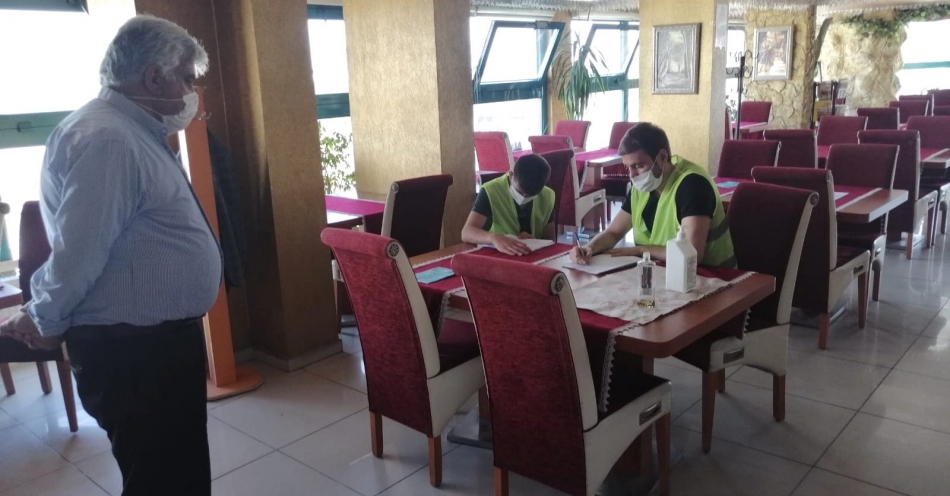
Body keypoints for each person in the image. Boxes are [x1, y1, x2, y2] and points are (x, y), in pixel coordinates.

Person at [0, 16, 222, 495]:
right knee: (163, 481)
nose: (191, 92)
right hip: (136, 355)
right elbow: (78, 253)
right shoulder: (110, 139)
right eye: (187, 79)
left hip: (150, 346)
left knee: (174, 474)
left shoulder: (129, 130)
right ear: (154, 77)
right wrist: (43, 317)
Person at [570, 123, 735, 268]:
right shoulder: (641, 186)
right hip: (659, 272)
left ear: (662, 157)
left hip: (711, 277)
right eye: (628, 167)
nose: (632, 175)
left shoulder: (692, 185)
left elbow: (693, 254)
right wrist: (589, 248)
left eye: (638, 166)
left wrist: (641, 250)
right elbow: (613, 232)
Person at [461, 153, 556, 255]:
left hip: (529, 254)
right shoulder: (491, 191)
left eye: (531, 195)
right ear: (511, 175)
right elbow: (467, 232)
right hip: (498, 254)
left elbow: (550, 240)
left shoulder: (547, 195)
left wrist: (535, 240)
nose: (524, 197)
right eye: (520, 191)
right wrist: (493, 238)